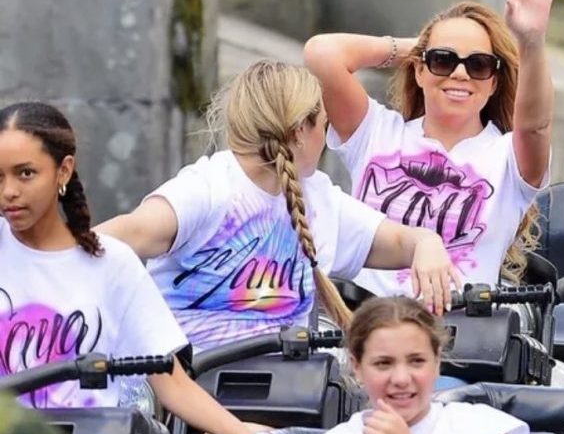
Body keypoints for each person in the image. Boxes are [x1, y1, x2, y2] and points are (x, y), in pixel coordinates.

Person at [97, 61, 460, 354]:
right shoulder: (209, 187)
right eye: (324, 125)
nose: (326, 137)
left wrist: (427, 243)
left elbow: (398, 242)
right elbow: (121, 235)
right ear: (301, 130)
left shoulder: (319, 198)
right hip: (189, 394)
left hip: (288, 396)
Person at [0, 102, 266, 434]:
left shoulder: (112, 264)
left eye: (25, 173)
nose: (9, 191)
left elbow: (173, 383)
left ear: (63, 171)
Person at [302, 0, 563, 298]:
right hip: (363, 316)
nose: (460, 73)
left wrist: (531, 41)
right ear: (419, 70)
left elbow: (536, 126)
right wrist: (421, 47)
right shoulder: (376, 132)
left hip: (462, 323)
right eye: (443, 60)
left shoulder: (507, 156)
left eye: (479, 65)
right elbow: (321, 54)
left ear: (493, 83)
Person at [297, 296, 529, 434]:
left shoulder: (478, 427)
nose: (401, 379)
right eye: (383, 363)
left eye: (416, 361)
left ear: (437, 362)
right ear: (357, 367)